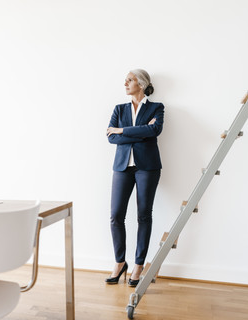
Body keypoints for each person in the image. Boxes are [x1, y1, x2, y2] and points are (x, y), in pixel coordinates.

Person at [105, 69, 164, 286]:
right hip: (122, 167)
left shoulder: (157, 108)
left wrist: (122, 131)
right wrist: (140, 132)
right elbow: (111, 138)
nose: (125, 83)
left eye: (129, 80)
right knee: (115, 216)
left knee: (143, 216)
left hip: (147, 168)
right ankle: (120, 263)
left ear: (140, 83)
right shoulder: (119, 109)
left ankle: (138, 265)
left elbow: (155, 130)